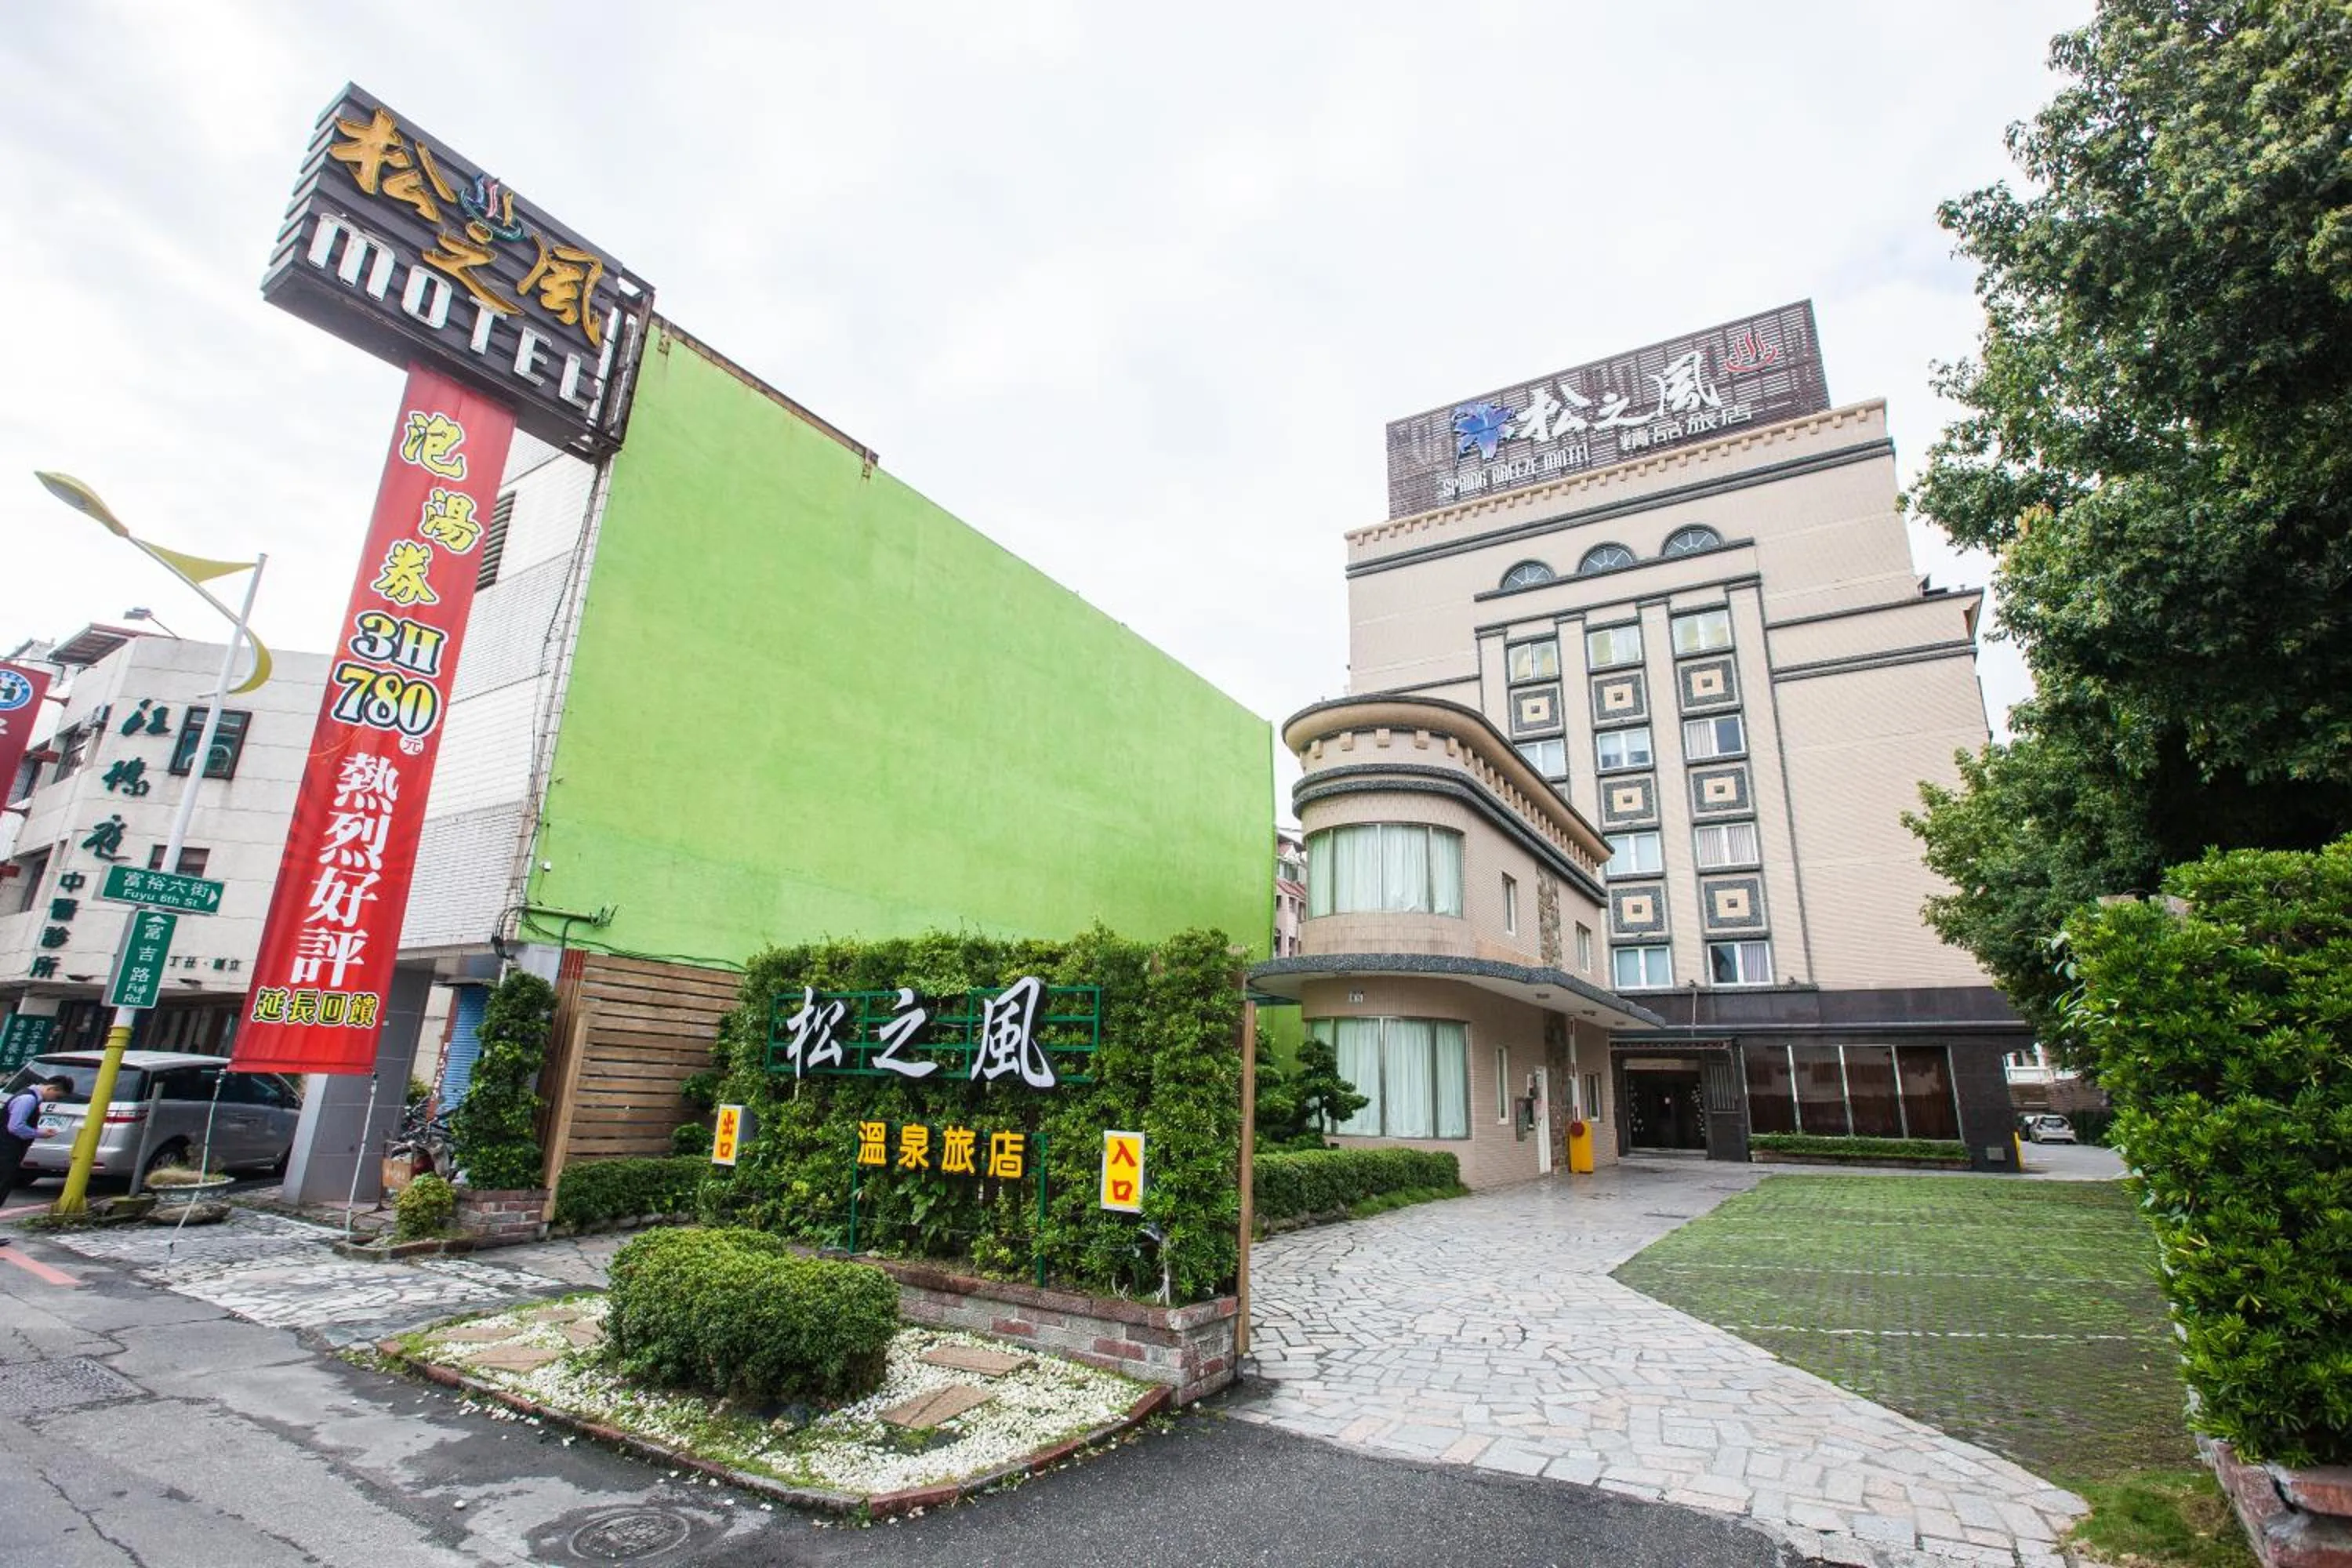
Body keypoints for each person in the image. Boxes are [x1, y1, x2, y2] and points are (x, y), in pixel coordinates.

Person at [0, 1075, 72, 1245]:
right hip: (6, 1151)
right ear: (52, 1089)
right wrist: (40, 1133)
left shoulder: (27, 1096)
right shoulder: (27, 1099)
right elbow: (16, 1127)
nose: (55, 1100)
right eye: (58, 1096)